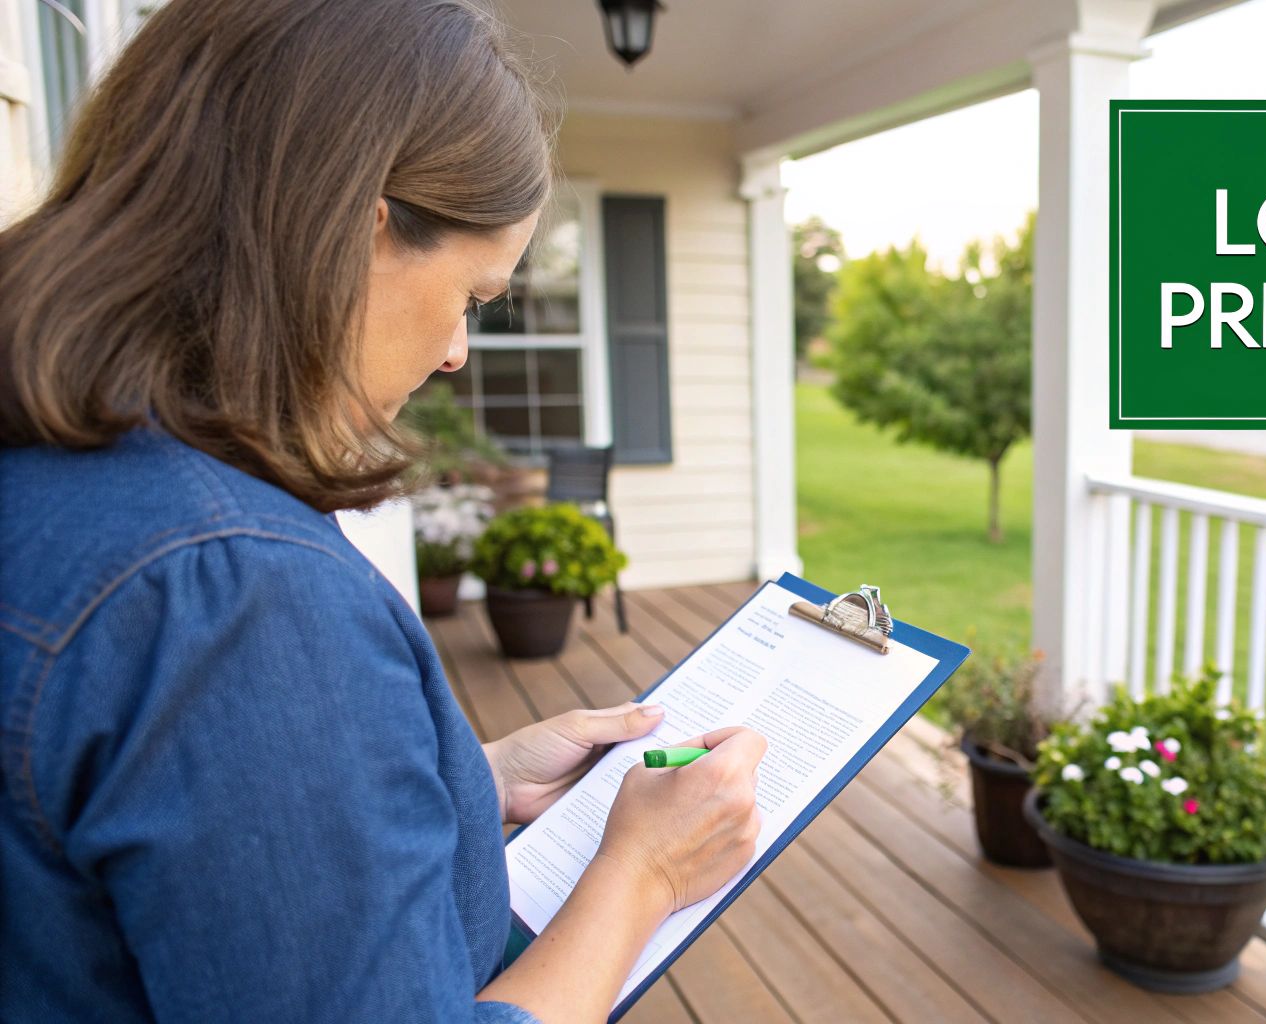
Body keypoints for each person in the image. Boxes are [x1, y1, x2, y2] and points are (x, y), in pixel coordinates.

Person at [0, 1, 768, 1021]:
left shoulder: (57, 467)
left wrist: (459, 784)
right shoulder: (235, 600)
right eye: (469, 295)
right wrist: (645, 874)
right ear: (355, 231)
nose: (456, 351)